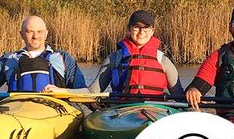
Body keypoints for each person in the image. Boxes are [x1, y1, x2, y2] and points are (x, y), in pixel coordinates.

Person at [44, 10, 184, 95]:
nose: (142, 32)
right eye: (136, 27)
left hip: (156, 110)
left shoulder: (163, 61)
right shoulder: (114, 59)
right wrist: (61, 90)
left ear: (153, 31)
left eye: (146, 28)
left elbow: (179, 96)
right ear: (129, 29)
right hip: (123, 111)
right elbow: (92, 92)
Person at [0, 15, 86, 92]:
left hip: (55, 110)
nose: (35, 36)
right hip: (18, 110)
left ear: (46, 34)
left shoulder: (64, 58)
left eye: (39, 32)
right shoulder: (7, 60)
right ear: (21, 34)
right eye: (30, 32)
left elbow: (81, 90)